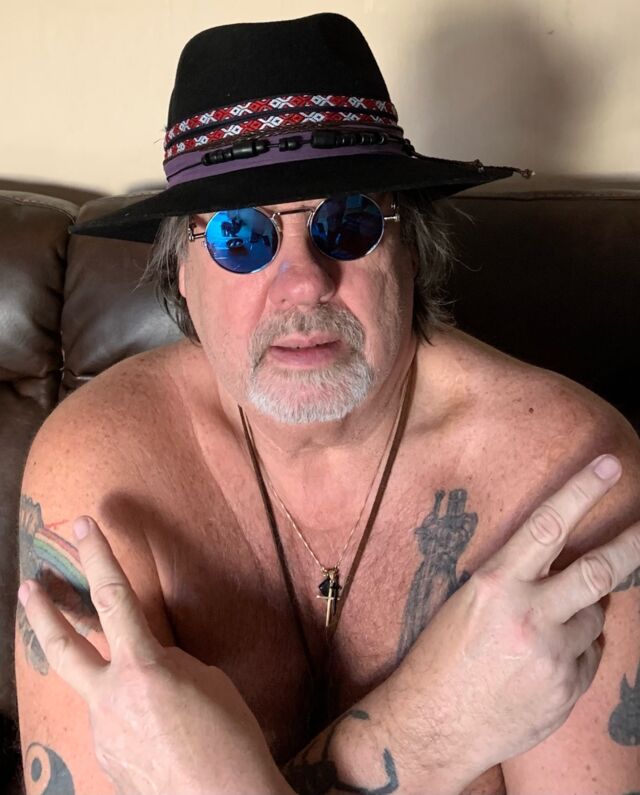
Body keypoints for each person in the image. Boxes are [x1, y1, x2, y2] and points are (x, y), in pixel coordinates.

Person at [15, 13, 640, 795]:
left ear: (412, 249)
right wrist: (432, 733)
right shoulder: (102, 468)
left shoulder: (568, 477)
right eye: (241, 236)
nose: (304, 282)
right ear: (181, 272)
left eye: (349, 222)